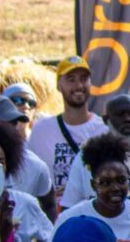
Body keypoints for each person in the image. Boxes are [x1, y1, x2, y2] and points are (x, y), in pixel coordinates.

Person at [51, 132, 130, 242]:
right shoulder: (70, 218)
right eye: (105, 183)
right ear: (93, 185)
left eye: (121, 180)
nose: (115, 188)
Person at [60, 94, 130, 207]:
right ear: (106, 120)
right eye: (120, 115)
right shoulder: (86, 157)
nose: (128, 119)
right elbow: (69, 206)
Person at [27, 56, 109, 200]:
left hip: (92, 213)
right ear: (59, 85)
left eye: (84, 79)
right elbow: (30, 177)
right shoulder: (41, 130)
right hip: (53, 216)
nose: (78, 85)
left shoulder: (104, 131)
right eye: (71, 79)